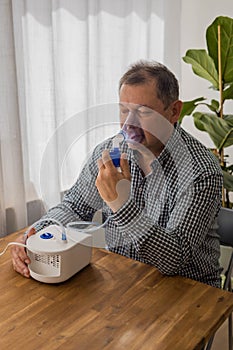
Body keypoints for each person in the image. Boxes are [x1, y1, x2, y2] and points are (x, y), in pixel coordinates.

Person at [11, 60, 223, 287]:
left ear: (174, 111)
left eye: (143, 112)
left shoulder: (201, 171)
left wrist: (120, 204)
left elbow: (174, 258)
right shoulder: (112, 151)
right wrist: (35, 233)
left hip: (189, 291)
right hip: (124, 280)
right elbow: (75, 206)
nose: (128, 125)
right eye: (124, 110)